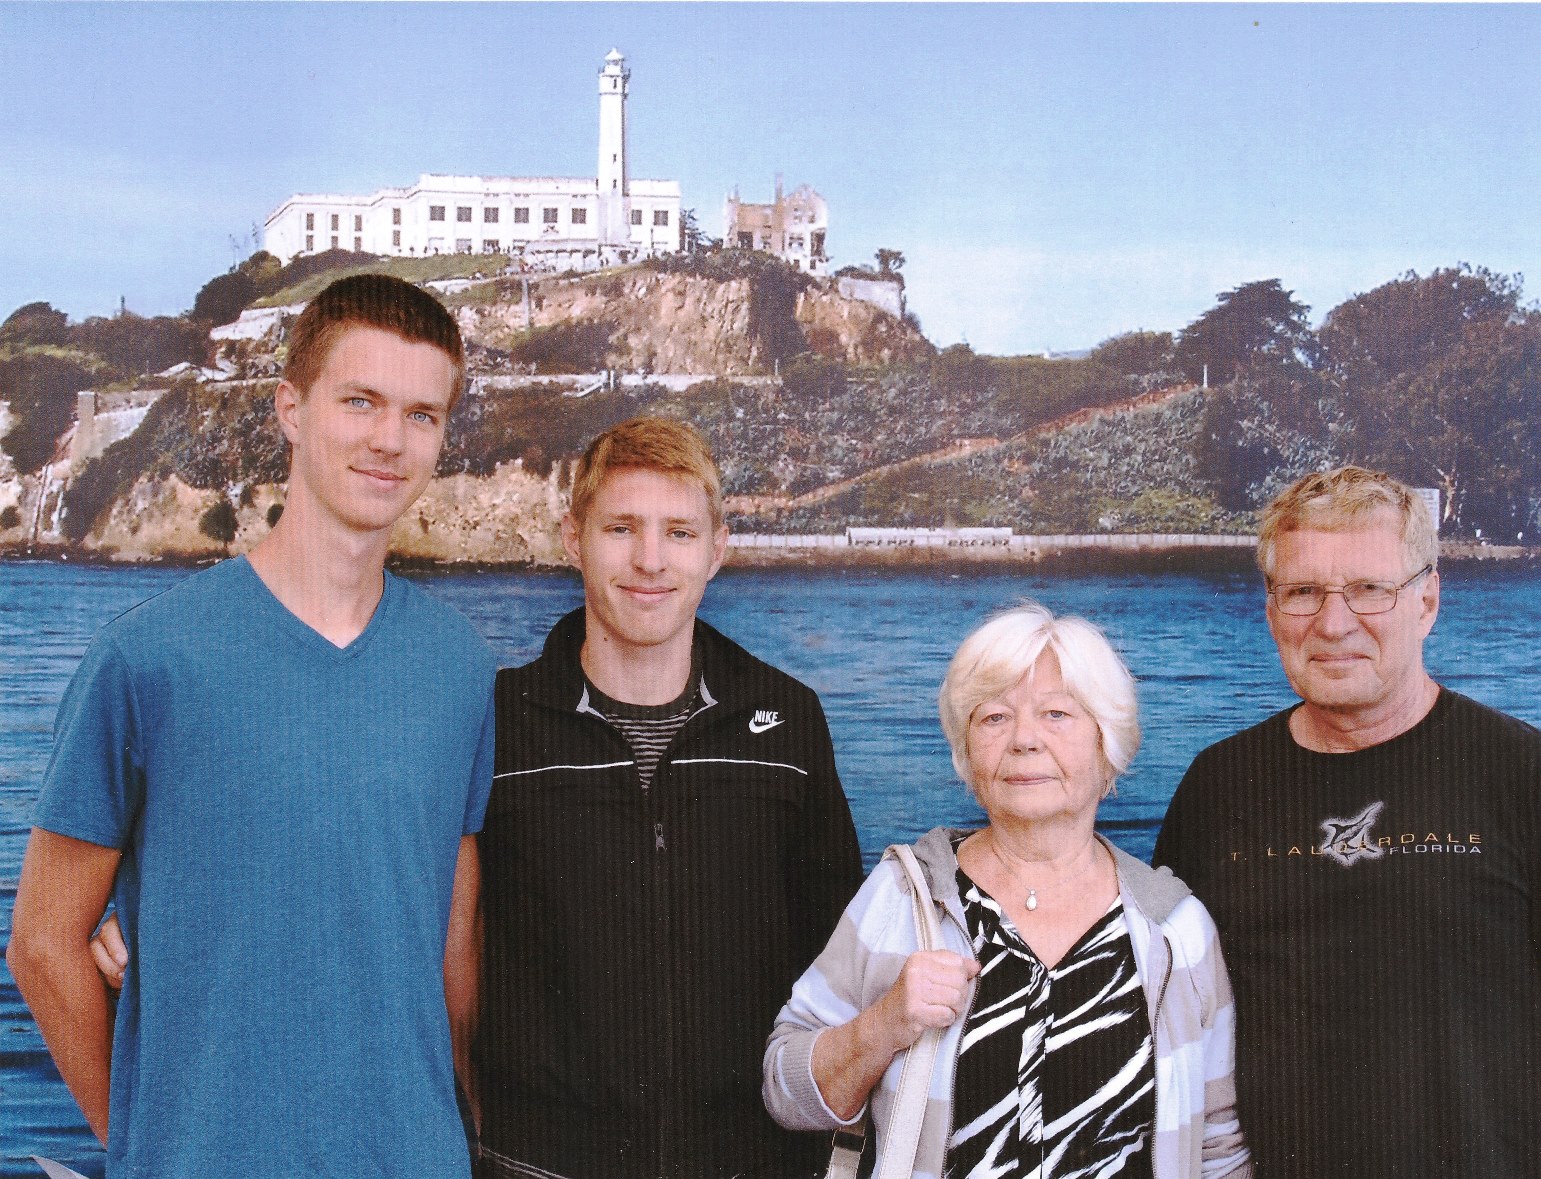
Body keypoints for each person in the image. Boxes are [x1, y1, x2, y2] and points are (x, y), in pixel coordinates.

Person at [9, 274, 498, 1178]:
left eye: (422, 414)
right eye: (360, 401)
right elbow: (43, 944)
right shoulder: (148, 657)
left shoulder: (459, 666)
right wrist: (150, 1145)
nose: (390, 439)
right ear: (291, 409)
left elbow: (449, 943)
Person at [475, 416, 864, 1179]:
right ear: (573, 538)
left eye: (678, 532)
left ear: (717, 548)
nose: (650, 560)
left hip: (750, 1161)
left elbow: (837, 963)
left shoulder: (787, 720)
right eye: (621, 527)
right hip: (538, 1162)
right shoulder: (498, 723)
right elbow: (456, 950)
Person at [766, 603, 1251, 1179]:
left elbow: (1218, 1148)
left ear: (1107, 742)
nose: (1024, 739)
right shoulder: (903, 897)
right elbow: (784, 1091)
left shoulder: (1175, 930)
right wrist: (884, 1025)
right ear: (967, 749)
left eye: (1056, 714)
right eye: (994, 717)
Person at [1153, 465, 1541, 1176]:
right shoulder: (1218, 788)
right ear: (1271, 609)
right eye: (1303, 592)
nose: (1333, 624)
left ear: (1426, 601)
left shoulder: (1520, 774)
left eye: (1369, 589)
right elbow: (1165, 1019)